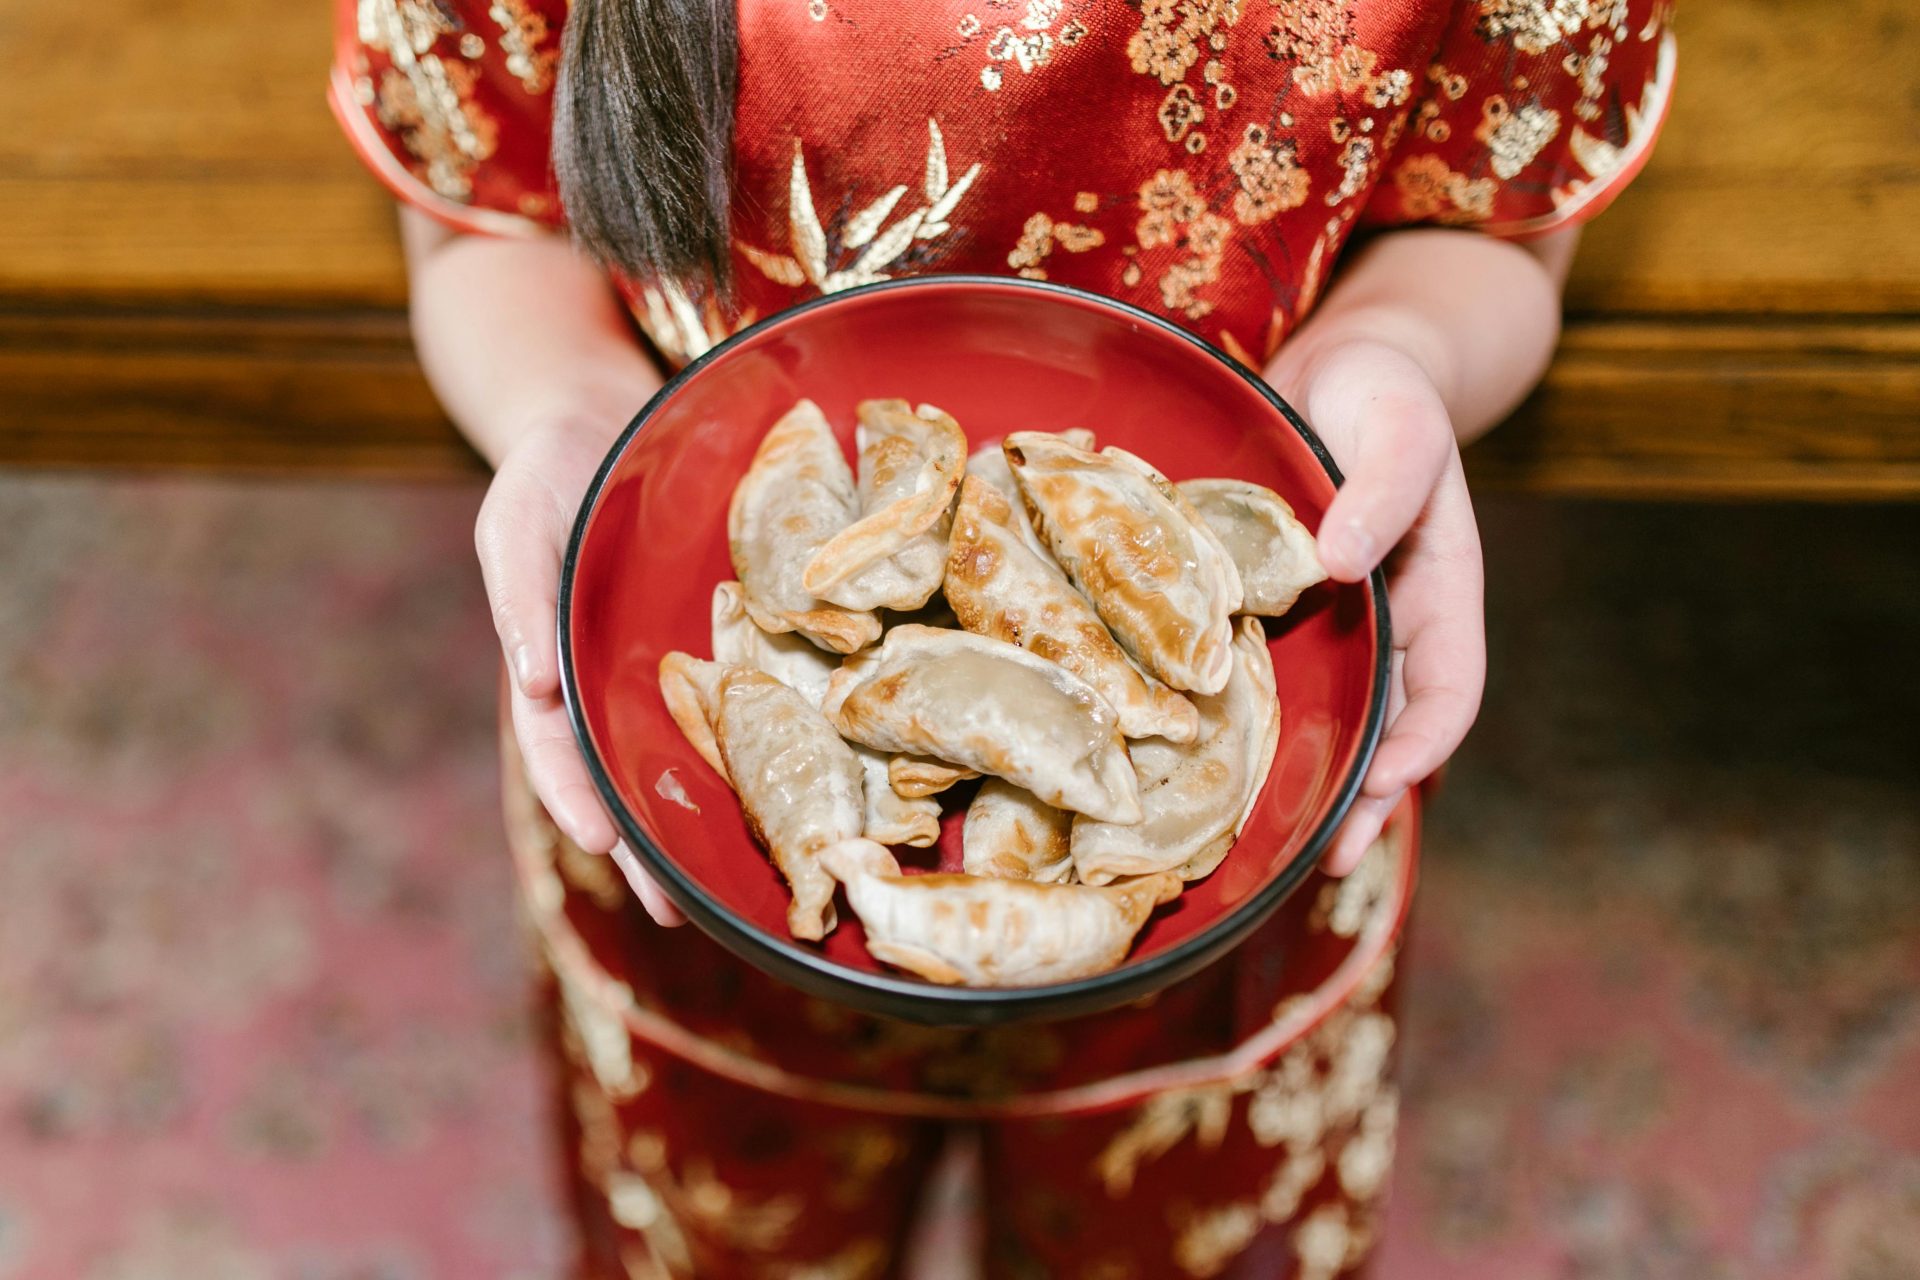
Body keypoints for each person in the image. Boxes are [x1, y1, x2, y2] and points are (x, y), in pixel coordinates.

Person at [330, 2, 1674, 1274]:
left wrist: (1402, 348)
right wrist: (573, 417)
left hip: (1247, 887)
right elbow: (485, 217)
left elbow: (1495, 220)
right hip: (684, 850)